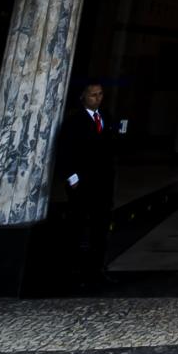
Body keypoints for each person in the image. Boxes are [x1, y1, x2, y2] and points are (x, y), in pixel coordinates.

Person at [56, 79, 121, 289]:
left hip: (103, 181)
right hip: (83, 182)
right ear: (83, 96)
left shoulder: (106, 118)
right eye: (93, 94)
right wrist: (73, 178)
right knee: (77, 225)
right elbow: (65, 150)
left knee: (100, 227)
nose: (97, 98)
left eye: (100, 94)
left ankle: (97, 269)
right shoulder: (74, 121)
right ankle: (73, 271)